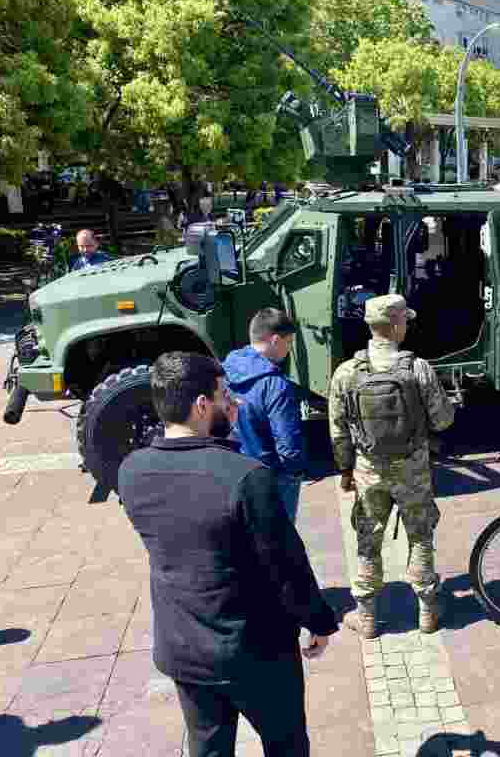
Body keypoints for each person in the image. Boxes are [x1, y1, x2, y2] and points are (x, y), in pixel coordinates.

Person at [118, 352, 338, 757]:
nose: (231, 403)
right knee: (286, 745)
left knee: (209, 749)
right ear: (202, 405)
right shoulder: (245, 477)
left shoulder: (131, 471)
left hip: (184, 648)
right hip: (255, 651)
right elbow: (286, 568)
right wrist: (319, 620)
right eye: (224, 395)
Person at [328, 294, 456, 639]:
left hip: (369, 470)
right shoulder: (418, 368)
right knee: (421, 536)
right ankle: (428, 612)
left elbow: (338, 431)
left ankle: (367, 617)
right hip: (413, 468)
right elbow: (443, 420)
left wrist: (345, 471)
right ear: (397, 325)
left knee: (368, 539)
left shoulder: (346, 373)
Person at [223, 309, 307, 523]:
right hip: (270, 479)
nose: (289, 350)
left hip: (233, 473)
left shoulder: (225, 370)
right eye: (289, 343)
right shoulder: (275, 385)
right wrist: (294, 473)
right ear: (275, 340)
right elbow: (288, 445)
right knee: (280, 545)